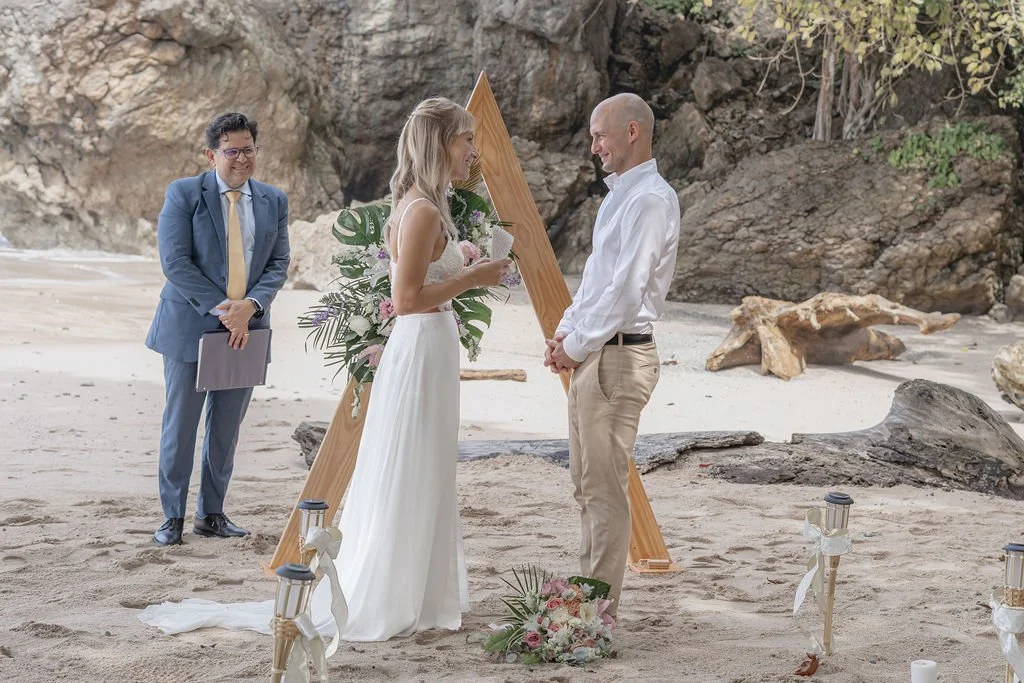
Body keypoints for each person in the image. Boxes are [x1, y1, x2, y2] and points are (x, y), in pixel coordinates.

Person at [544, 93, 681, 617]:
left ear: (632, 132)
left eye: (600, 134)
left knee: (603, 489)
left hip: (618, 358)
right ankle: (586, 597)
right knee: (586, 486)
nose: (593, 144)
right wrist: (564, 336)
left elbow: (627, 292)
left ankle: (594, 613)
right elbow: (597, 283)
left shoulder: (650, 200)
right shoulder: (620, 197)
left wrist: (574, 347)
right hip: (596, 354)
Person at [145, 112, 290, 546]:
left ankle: (211, 514)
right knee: (181, 425)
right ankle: (171, 517)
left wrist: (251, 307)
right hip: (192, 326)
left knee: (226, 430)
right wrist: (223, 310)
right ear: (212, 154)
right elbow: (175, 263)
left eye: (249, 149)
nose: (242, 158)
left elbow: (279, 263)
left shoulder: (273, 200)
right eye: (232, 150)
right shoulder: (184, 194)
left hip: (247, 328)